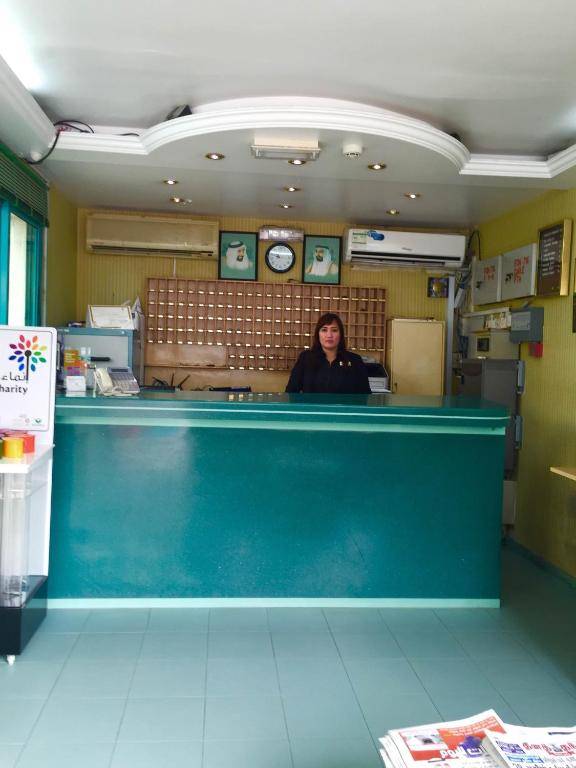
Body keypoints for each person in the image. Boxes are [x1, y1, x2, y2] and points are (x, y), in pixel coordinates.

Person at [286, 312, 371, 394]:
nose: (329, 335)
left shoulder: (355, 360)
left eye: (334, 330)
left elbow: (365, 396)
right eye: (324, 330)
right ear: (318, 334)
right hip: (312, 405)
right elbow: (291, 392)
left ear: (340, 335)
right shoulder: (305, 358)